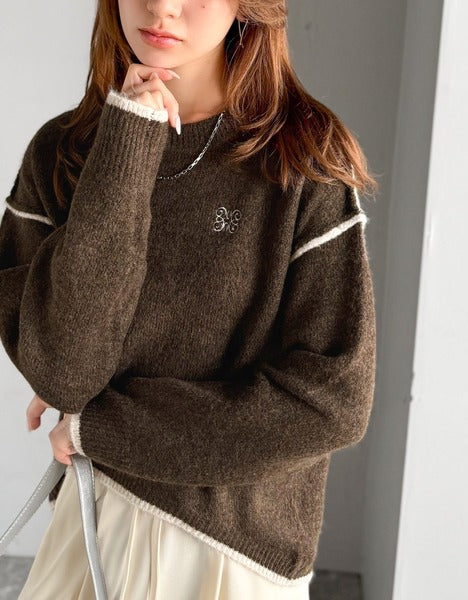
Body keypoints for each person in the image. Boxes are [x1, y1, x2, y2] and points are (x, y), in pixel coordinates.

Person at [0, 0, 379, 598]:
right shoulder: (62, 153)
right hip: (93, 526)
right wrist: (128, 137)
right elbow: (66, 375)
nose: (162, 7)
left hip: (233, 558)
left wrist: (106, 428)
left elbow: (333, 402)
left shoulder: (302, 159)